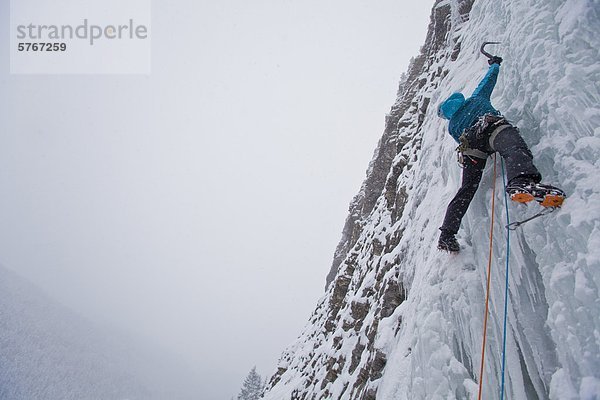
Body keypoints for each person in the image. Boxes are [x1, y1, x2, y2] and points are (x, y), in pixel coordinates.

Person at [436, 55, 565, 252]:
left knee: (467, 189)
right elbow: (488, 80)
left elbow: (460, 140)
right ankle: (521, 181)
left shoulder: (452, 126)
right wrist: (494, 64)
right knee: (514, 148)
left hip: (472, 148)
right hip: (492, 129)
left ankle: (447, 234)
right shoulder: (476, 99)